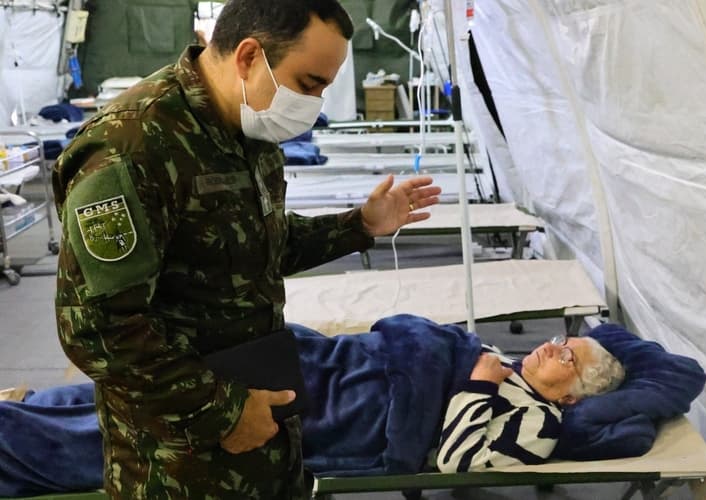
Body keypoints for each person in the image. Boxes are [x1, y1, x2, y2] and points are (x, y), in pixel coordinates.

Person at [51, 0, 441, 498]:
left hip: (264, 430)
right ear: (250, 56)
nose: (315, 103)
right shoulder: (132, 145)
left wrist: (361, 225)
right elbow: (97, 329)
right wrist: (223, 411)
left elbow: (257, 246)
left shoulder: (248, 127)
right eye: (309, 84)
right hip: (179, 460)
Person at [436, 335, 625, 472]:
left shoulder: (540, 422)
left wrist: (481, 386)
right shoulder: (514, 365)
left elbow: (457, 461)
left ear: (569, 398)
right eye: (561, 341)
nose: (549, 347)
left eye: (567, 357)